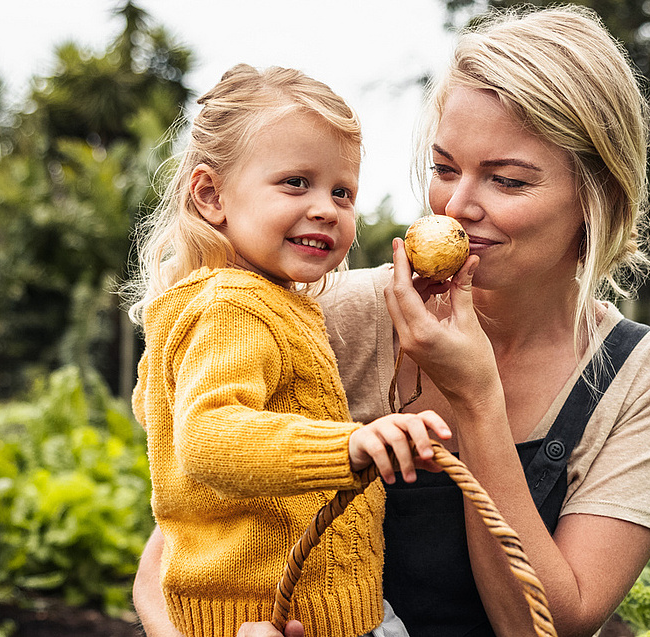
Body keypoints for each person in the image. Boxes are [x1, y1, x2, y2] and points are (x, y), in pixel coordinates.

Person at [135, 7, 650, 636]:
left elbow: (546, 627)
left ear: (597, 196)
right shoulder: (331, 315)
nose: (458, 207)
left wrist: (475, 397)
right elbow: (172, 552)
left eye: (508, 181)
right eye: (444, 169)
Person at [126, 64, 452, 637]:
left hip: (302, 612)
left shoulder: (259, 302)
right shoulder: (232, 304)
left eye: (342, 191)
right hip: (284, 619)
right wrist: (348, 442)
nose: (326, 207)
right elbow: (207, 437)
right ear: (211, 196)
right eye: (295, 183)